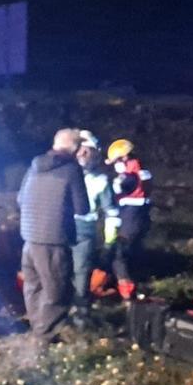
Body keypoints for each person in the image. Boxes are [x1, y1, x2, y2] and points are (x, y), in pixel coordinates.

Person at [17, 128, 90, 342]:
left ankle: (38, 327)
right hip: (53, 239)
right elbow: (82, 207)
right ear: (75, 148)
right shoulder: (71, 169)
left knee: (34, 286)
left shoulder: (34, 166)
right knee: (57, 289)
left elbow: (21, 199)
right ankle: (46, 336)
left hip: (29, 238)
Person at [72, 130, 114, 318]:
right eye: (80, 150)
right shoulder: (63, 174)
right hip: (59, 229)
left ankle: (81, 315)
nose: (83, 154)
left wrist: (109, 243)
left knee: (81, 272)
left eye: (88, 151)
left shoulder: (101, 181)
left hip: (84, 231)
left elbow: (111, 213)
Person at [104, 138, 152, 301]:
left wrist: (116, 182)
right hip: (141, 217)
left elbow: (120, 188)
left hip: (131, 218)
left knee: (120, 255)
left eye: (116, 162)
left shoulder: (129, 176)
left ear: (123, 158)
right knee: (133, 252)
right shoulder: (143, 170)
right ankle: (138, 285)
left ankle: (126, 292)